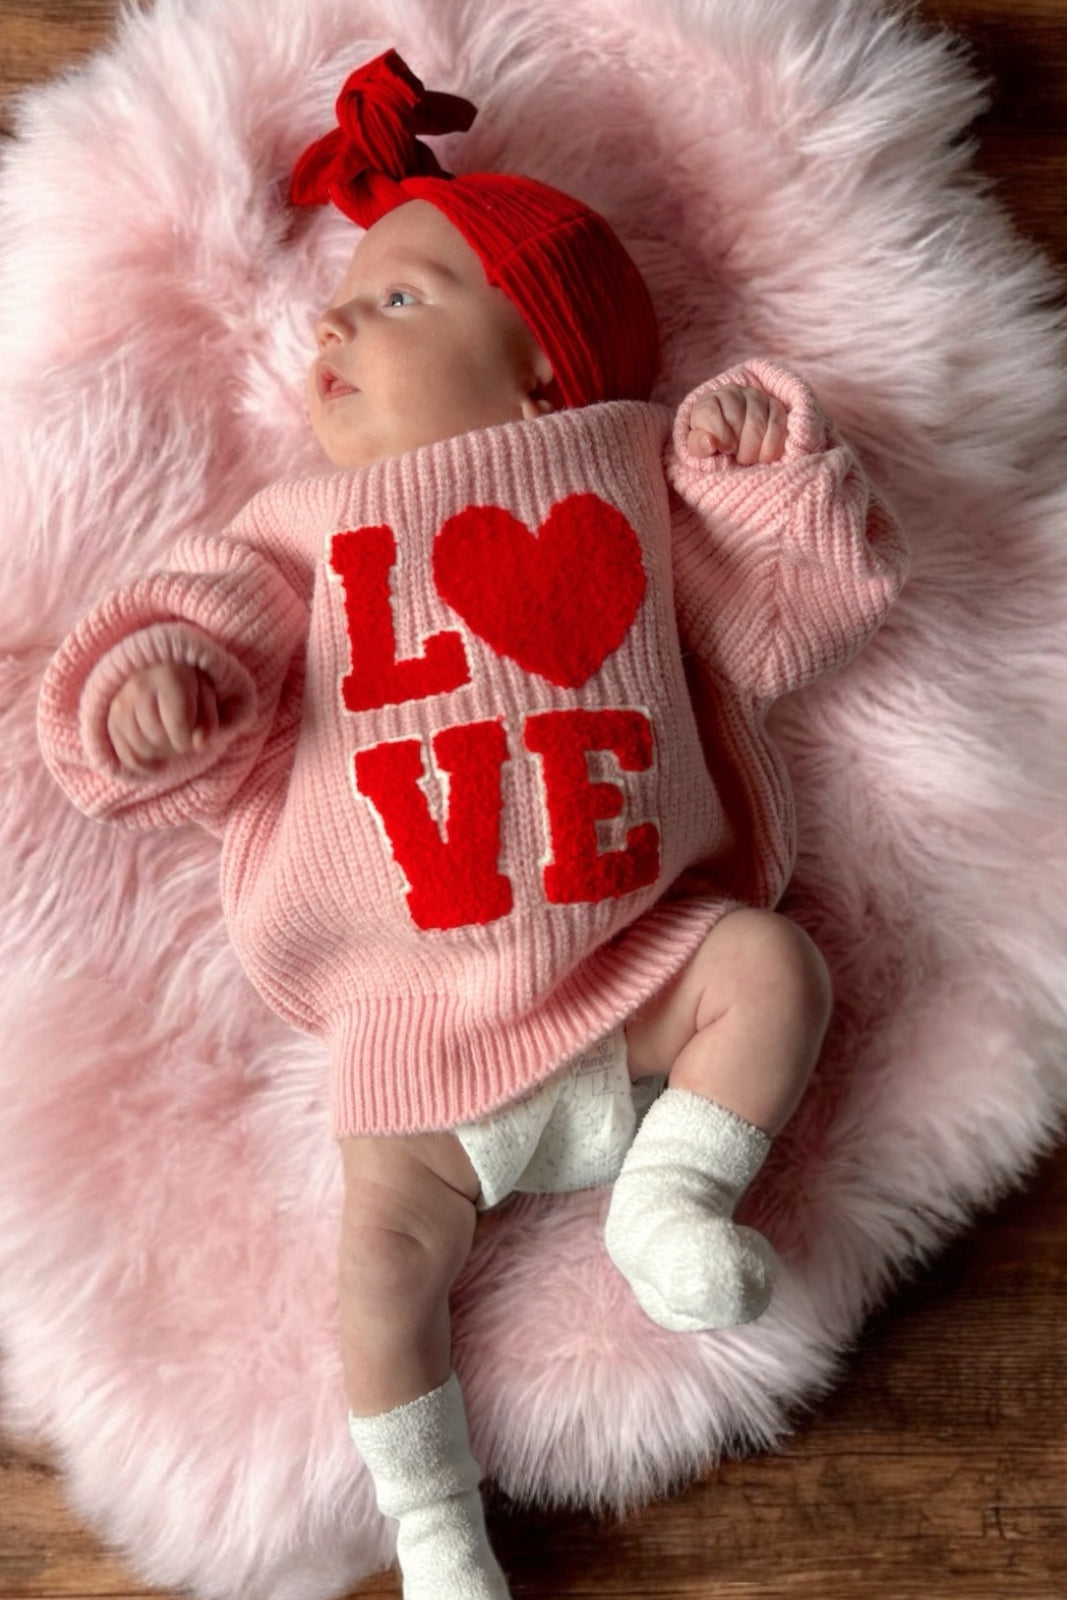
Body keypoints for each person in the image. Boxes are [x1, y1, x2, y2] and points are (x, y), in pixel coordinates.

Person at [37, 50, 908, 1600]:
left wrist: (762, 480)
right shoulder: (295, 537)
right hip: (414, 1033)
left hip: (647, 971)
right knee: (378, 1279)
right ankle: (440, 1533)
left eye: (401, 298)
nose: (337, 322)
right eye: (345, 298)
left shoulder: (633, 490)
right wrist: (155, 683)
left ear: (545, 375)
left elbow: (802, 609)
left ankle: (676, 1197)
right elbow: (198, 626)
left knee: (776, 970)